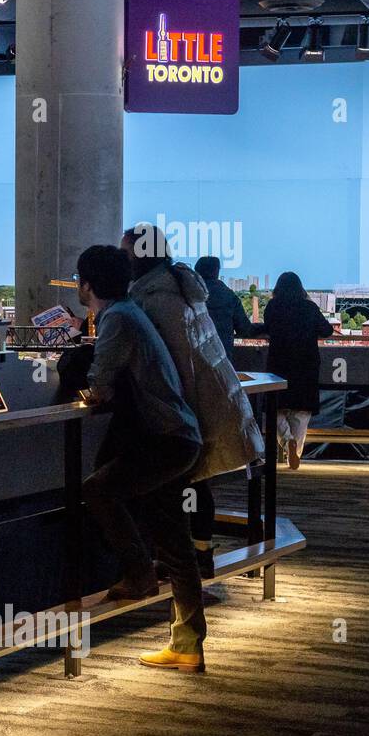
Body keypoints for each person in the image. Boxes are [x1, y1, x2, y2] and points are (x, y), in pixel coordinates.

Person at [76, 245, 207, 672]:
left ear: (88, 284)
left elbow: (100, 386)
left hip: (163, 439)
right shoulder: (132, 312)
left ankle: (138, 575)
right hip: (179, 438)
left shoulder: (117, 317)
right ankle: (187, 645)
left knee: (98, 489)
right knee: (175, 543)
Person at [122, 225, 265, 584]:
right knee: (194, 481)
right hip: (213, 395)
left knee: (176, 483)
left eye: (125, 253)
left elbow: (171, 359)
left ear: (140, 256)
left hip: (192, 403)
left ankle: (183, 562)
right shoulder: (178, 287)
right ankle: (197, 555)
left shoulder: (156, 297)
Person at [258, 271, 333, 470]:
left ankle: (287, 440)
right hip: (305, 365)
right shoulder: (310, 308)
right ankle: (296, 451)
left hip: (279, 364)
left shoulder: (273, 306)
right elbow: (327, 330)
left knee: (275, 408)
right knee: (301, 412)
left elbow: (268, 326)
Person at [194, 254, 262, 354]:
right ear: (216, 271)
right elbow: (244, 329)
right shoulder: (229, 296)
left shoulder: (186, 295)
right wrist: (263, 327)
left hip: (191, 360)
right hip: (222, 357)